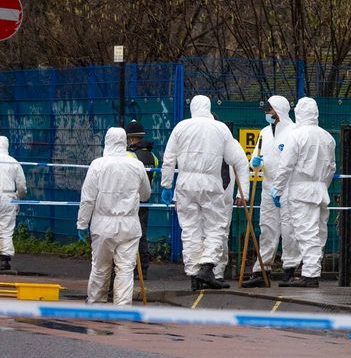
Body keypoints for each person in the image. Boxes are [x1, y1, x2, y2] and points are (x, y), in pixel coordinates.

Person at [160, 95, 249, 290]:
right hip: (210, 183)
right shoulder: (220, 129)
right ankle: (207, 267)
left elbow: (168, 159)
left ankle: (194, 275)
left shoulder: (181, 127)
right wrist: (244, 192)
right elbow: (239, 160)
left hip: (185, 183)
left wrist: (166, 185)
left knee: (190, 229)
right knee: (216, 226)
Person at [77, 127, 151, 305]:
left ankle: (96, 302)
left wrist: (82, 223)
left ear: (107, 141)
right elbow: (146, 194)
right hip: (129, 225)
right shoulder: (136, 165)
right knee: (125, 269)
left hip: (103, 225)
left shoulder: (98, 165)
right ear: (125, 142)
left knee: (100, 267)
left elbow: (88, 198)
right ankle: (123, 307)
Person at [275, 97, 335, 288]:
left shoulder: (296, 135)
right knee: (318, 233)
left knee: (306, 233)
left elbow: (285, 166)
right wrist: (322, 185)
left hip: (301, 191)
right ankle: (312, 271)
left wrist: (277, 189)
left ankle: (310, 275)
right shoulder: (327, 137)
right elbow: (331, 168)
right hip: (321, 190)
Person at [242, 96, 295, 287]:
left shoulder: (293, 132)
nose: (267, 113)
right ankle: (262, 270)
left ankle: (290, 268)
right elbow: (255, 159)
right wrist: (255, 163)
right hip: (268, 187)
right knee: (267, 228)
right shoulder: (264, 132)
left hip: (288, 188)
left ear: (279, 110)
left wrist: (281, 188)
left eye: (270, 110)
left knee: (289, 230)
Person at [125, 120, 159, 277]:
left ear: (131, 138)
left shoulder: (129, 156)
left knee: (128, 235)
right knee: (142, 233)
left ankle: (130, 266)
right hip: (145, 200)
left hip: (129, 200)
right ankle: (143, 269)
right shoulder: (153, 157)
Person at [0, 136, 27, 272]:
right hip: (8, 197)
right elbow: (22, 186)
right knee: (6, 227)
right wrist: (18, 197)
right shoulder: (14, 162)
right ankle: (4, 260)